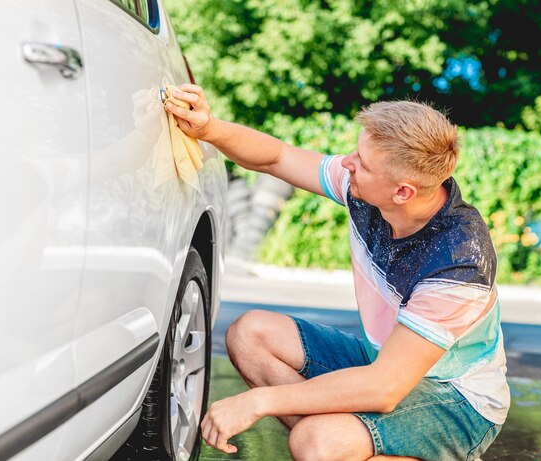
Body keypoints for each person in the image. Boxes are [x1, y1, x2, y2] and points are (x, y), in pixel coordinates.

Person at [164, 84, 510, 461]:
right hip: (384, 362)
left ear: (403, 193)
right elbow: (277, 158)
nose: (347, 162)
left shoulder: (459, 262)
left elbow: (384, 387)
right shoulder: (368, 189)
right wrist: (209, 128)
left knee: (318, 442)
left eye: (361, 161)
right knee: (251, 335)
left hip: (458, 401)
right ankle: (355, 446)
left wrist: (258, 402)